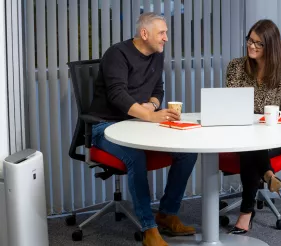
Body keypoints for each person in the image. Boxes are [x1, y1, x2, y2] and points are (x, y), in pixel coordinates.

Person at [88, 12, 197, 246]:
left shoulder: (157, 54)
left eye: (166, 33)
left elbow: (158, 88)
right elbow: (117, 95)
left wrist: (153, 105)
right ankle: (149, 229)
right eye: (162, 33)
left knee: (188, 151)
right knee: (135, 157)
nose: (166, 38)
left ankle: (167, 214)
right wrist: (149, 115)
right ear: (144, 34)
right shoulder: (116, 54)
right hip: (105, 127)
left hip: (137, 125)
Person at [225, 19, 281, 234]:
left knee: (252, 147)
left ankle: (246, 212)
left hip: (274, 137)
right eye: (250, 40)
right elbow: (229, 104)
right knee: (250, 144)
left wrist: (274, 121)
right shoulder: (236, 66)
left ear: (271, 46)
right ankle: (267, 174)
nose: (252, 46)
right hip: (242, 135)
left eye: (258, 43)